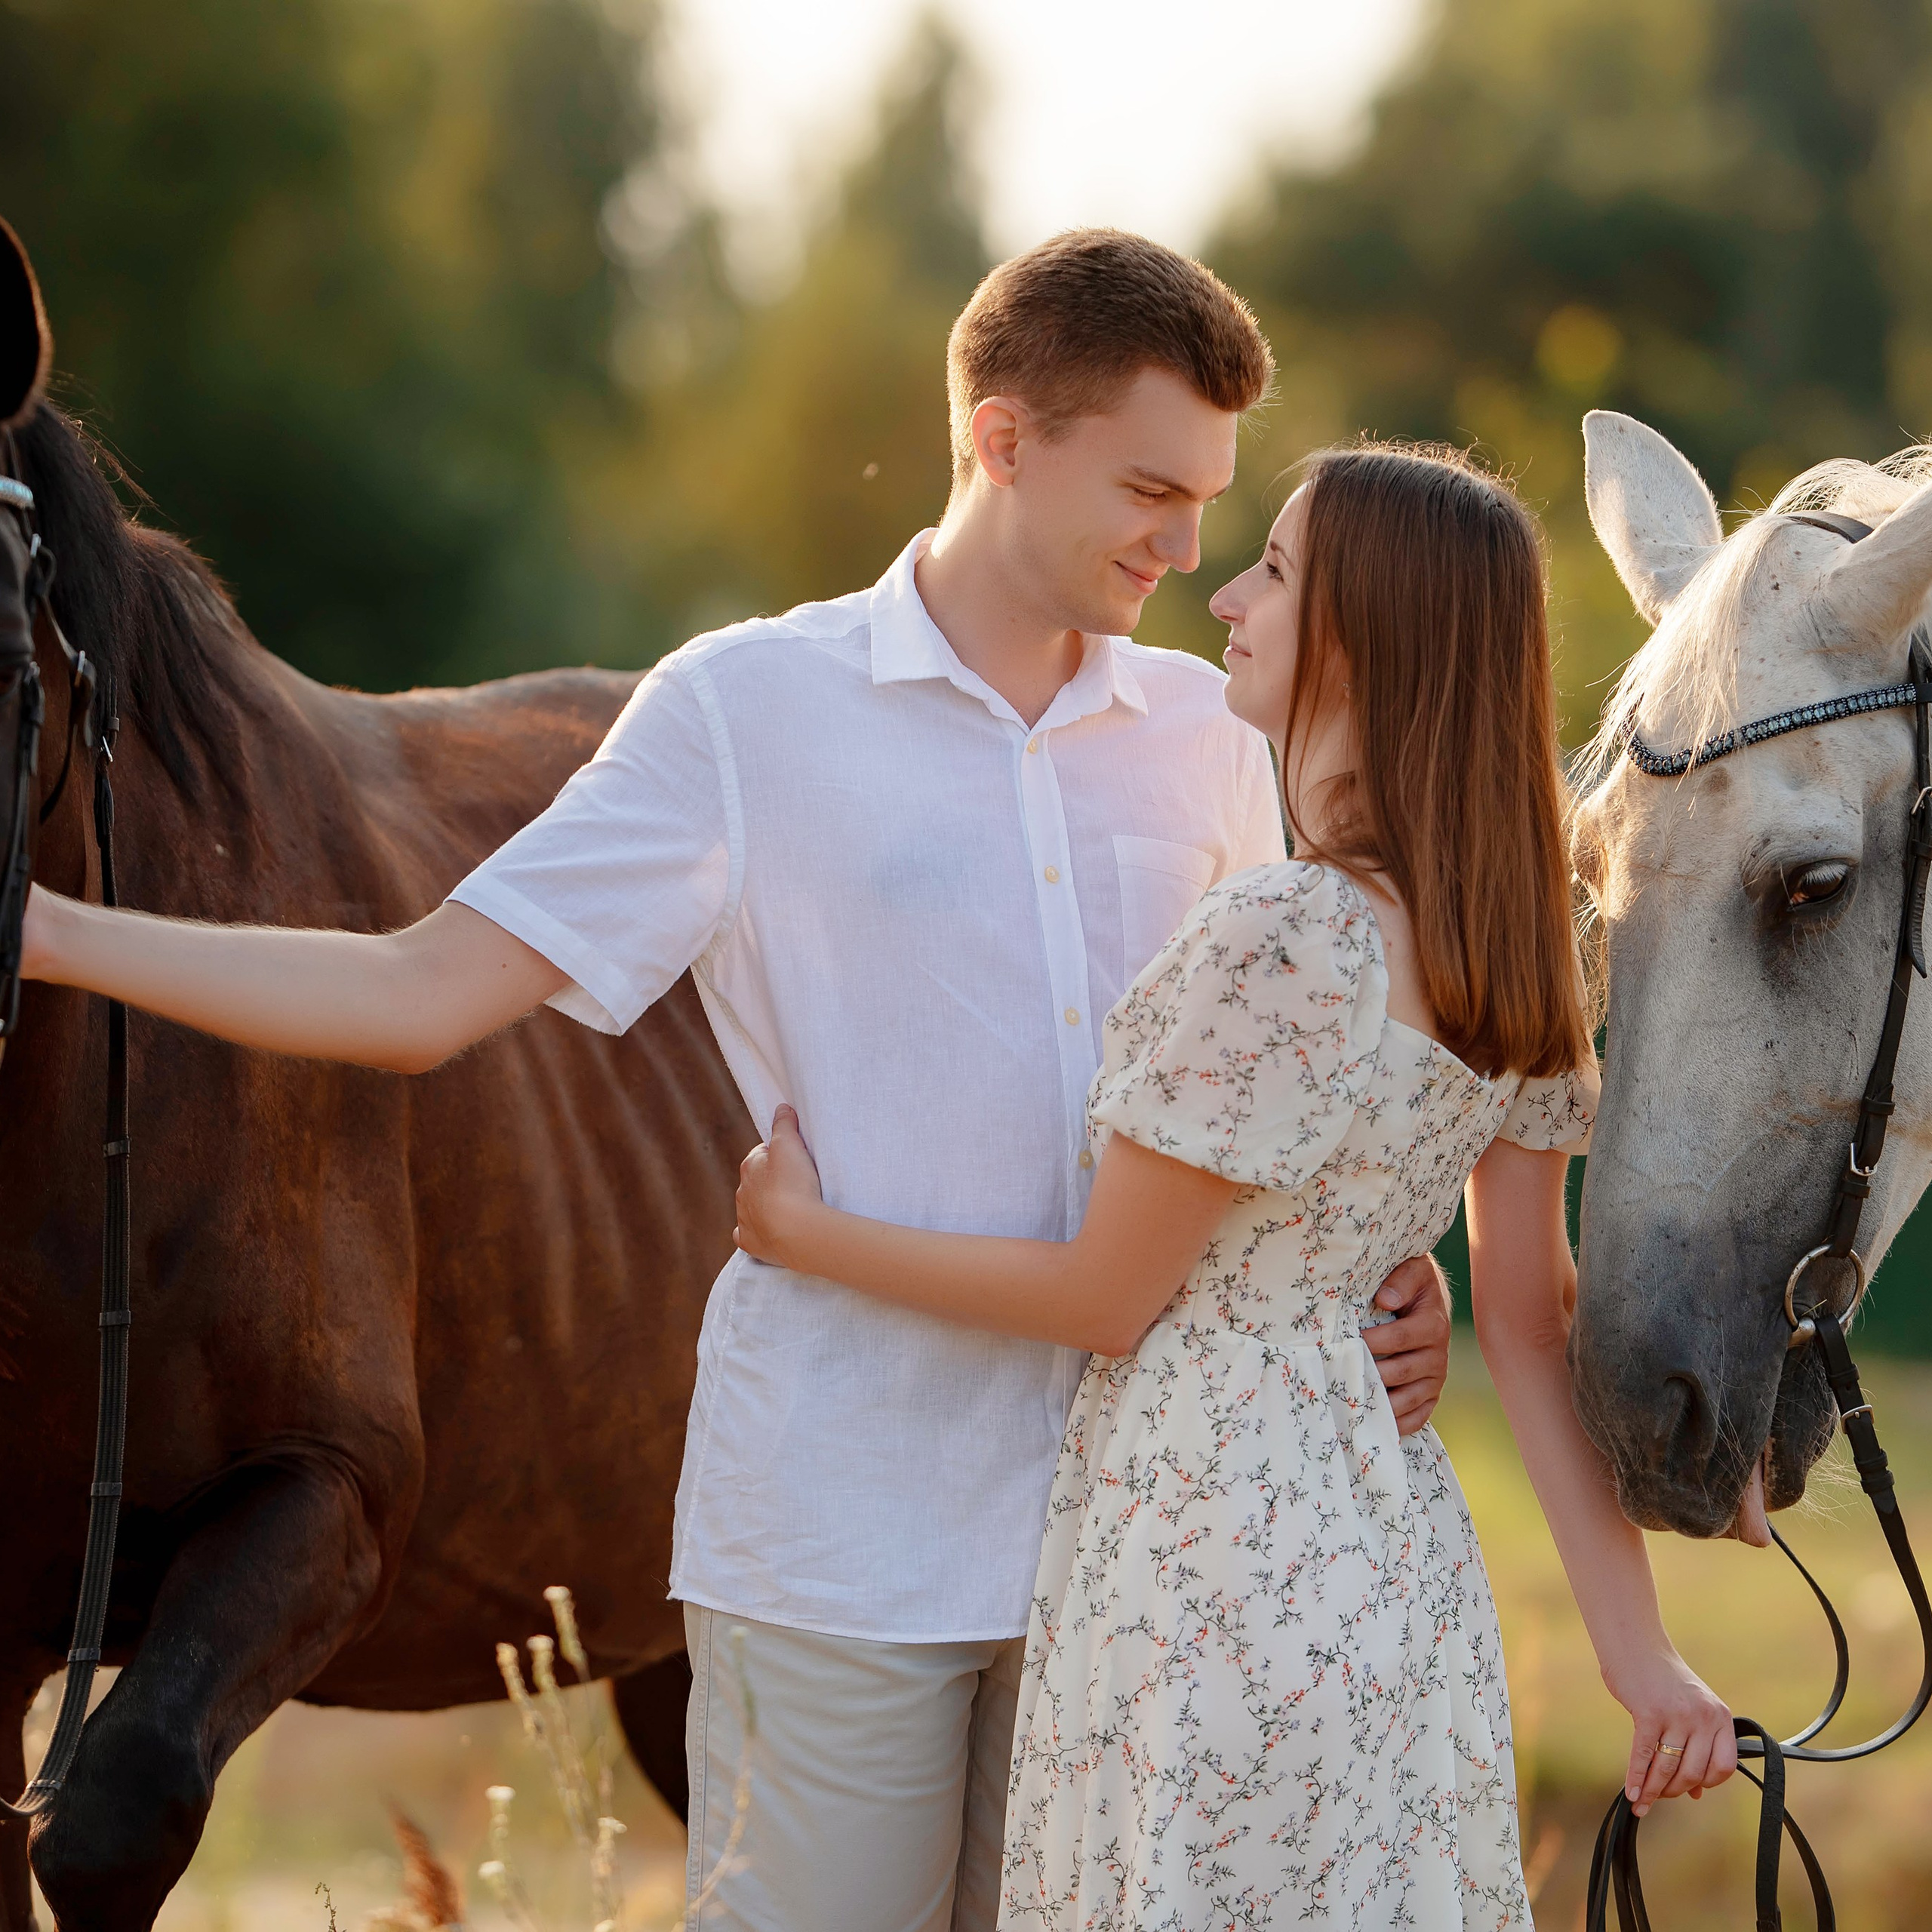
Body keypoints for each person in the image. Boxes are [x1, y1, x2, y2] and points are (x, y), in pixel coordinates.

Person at [19, 230, 1454, 1929]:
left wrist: (1375, 1263)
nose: (1187, 545)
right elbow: (417, 991)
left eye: (1208, 499)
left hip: (1128, 1550)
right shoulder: (743, 713)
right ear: (1000, 440)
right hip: (838, 1545)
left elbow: (1263, 1089)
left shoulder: (1212, 739)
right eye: (1149, 487)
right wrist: (44, 930)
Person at [734, 445, 1737, 1930]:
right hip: (1387, 1572)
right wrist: (1636, 1650)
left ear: (1360, 630)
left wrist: (804, 1233)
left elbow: (1101, 1296)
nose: (1224, 593)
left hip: (1199, 1567)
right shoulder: (1518, 954)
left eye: (1270, 566)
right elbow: (1527, 1329)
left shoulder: (1281, 933)